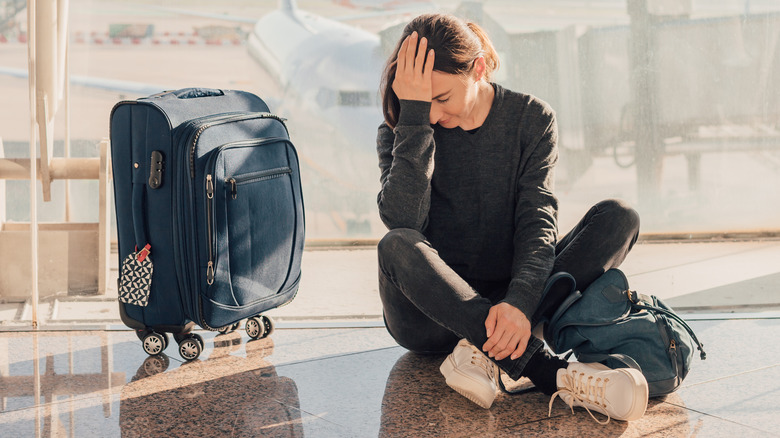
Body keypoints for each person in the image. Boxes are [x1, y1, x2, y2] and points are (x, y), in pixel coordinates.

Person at [375, 13, 649, 424]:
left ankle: (483, 347)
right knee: (396, 244)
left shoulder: (531, 119)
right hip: (430, 316)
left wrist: (519, 303)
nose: (431, 114)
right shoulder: (406, 128)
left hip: (515, 308)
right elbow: (403, 220)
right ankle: (546, 372)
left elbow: (537, 222)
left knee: (619, 217)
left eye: (441, 98)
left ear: (478, 68)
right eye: (420, 101)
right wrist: (412, 120)